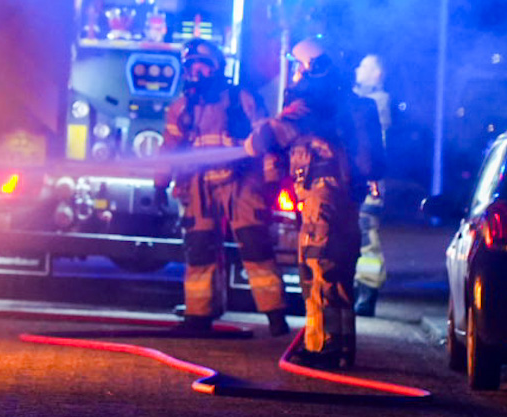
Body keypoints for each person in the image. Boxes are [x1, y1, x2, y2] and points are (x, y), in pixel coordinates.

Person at [154, 38, 289, 336]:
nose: (196, 72)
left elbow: (265, 137)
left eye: (202, 66)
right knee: (199, 249)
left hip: (242, 182)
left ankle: (275, 314)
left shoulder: (243, 98)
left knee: (256, 246)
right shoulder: (181, 109)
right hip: (198, 186)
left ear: (217, 67)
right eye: (190, 67)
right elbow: (170, 148)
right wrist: (160, 183)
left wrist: (270, 180)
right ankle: (199, 316)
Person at [250, 37, 367, 368]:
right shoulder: (342, 103)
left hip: (321, 195)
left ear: (312, 69)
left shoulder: (307, 105)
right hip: (343, 197)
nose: (296, 74)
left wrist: (250, 142)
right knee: (339, 272)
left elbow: (268, 137)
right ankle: (341, 346)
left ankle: (322, 349)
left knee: (319, 268)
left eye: (300, 67)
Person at [352, 54, 391, 316]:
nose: (358, 69)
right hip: (356, 178)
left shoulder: (378, 101)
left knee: (367, 236)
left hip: (368, 180)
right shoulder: (358, 98)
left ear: (377, 73)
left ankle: (367, 292)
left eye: (364, 66)